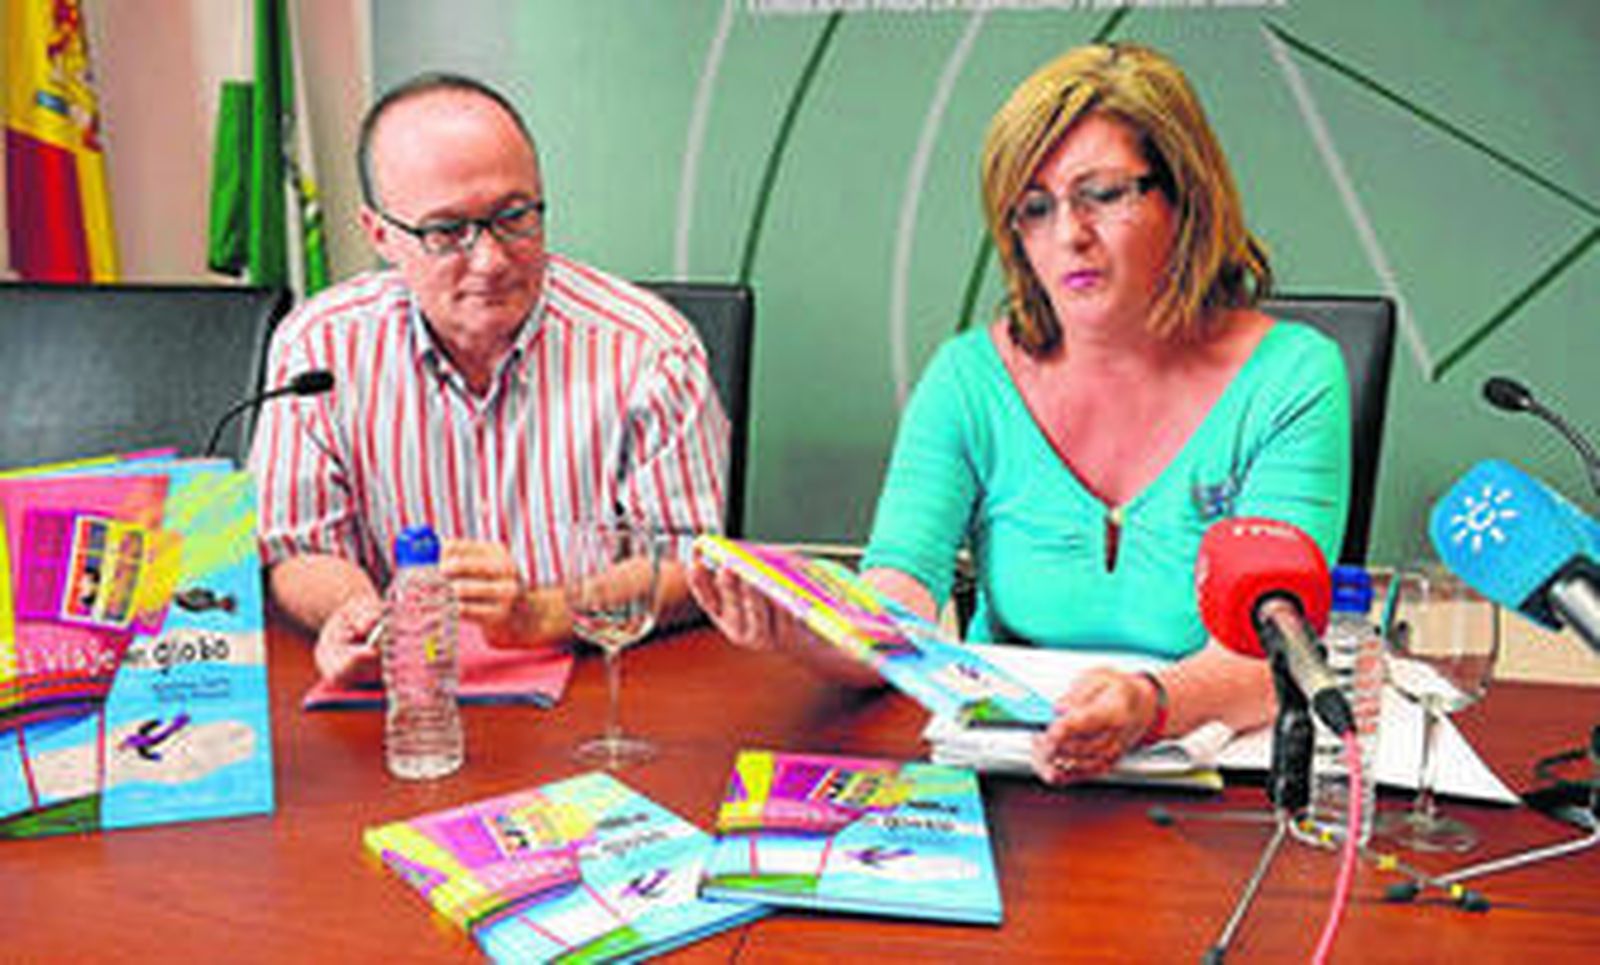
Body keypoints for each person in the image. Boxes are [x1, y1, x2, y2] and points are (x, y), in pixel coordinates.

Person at [690, 43, 1349, 784]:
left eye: (1101, 194)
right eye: (1034, 208)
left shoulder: (1294, 377)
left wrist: (1150, 701)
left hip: (1216, 787)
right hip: (1014, 776)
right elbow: (898, 606)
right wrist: (802, 630)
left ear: (1184, 197)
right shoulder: (968, 378)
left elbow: (1275, 648)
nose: (1068, 234)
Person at [250, 73, 729, 686]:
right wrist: (360, 617)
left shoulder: (650, 351)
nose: (492, 259)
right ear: (380, 235)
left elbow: (690, 563)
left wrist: (543, 612)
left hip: (604, 693)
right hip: (403, 701)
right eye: (447, 231)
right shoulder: (317, 347)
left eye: (514, 216)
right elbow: (296, 548)